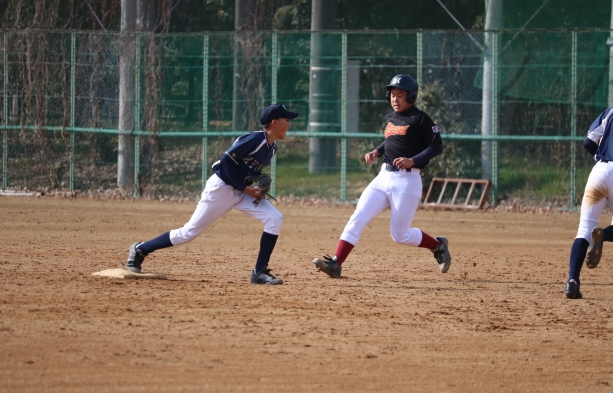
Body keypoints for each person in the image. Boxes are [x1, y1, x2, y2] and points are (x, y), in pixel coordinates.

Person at [126, 104, 299, 285]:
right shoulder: (256, 139)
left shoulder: (272, 148)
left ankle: (259, 272)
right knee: (188, 233)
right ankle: (140, 249)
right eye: (286, 120)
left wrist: (257, 186)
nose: (289, 124)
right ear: (274, 123)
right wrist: (245, 188)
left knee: (274, 218)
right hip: (221, 189)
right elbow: (226, 161)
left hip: (241, 192)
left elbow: (245, 169)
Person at [312, 74, 451, 278]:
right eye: (392, 95)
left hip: (407, 180)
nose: (395, 99)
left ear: (411, 96)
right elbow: (391, 140)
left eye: (400, 95)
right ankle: (336, 263)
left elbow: (436, 146)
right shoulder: (391, 118)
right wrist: (377, 151)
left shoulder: (420, 118)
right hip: (383, 177)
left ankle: (437, 245)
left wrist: (413, 160)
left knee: (400, 235)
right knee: (358, 217)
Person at [565, 106, 613, 299]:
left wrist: (600, 158)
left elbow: (588, 142)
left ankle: (572, 282)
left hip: (599, 172)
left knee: (584, 230)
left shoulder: (610, 111)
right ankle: (603, 235)